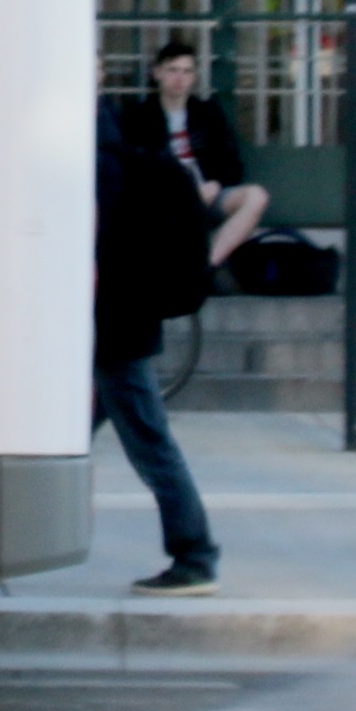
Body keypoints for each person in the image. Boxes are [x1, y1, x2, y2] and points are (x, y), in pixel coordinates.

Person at [92, 85, 223, 593]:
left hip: (116, 330)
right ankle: (11, 528)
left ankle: (195, 555)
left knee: (151, 444)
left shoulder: (102, 170)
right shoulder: (131, 160)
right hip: (128, 321)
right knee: (66, 434)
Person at [130, 40, 272, 279]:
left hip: (207, 195)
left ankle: (203, 267)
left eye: (187, 71)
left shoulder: (207, 113)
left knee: (256, 197)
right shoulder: (139, 116)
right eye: (173, 70)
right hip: (166, 199)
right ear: (157, 73)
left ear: (194, 77)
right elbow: (137, 168)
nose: (179, 78)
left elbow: (232, 164)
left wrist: (214, 185)